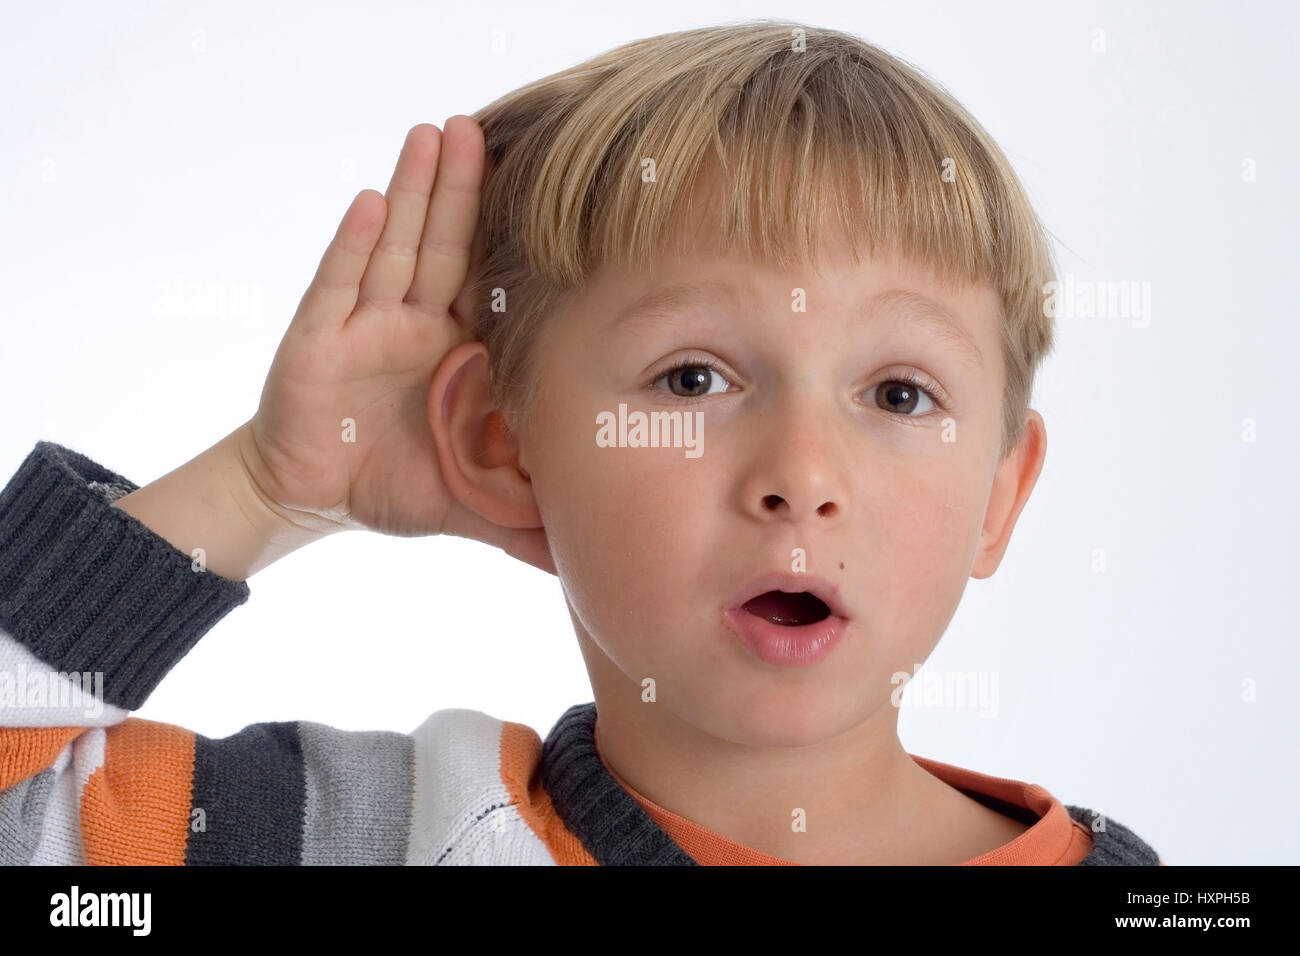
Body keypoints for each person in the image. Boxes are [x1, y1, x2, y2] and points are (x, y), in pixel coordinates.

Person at [0, 20, 1161, 865]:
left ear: (1000, 495)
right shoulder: (340, 835)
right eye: (694, 377)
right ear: (504, 442)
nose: (802, 477)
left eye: (899, 394)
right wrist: (262, 489)